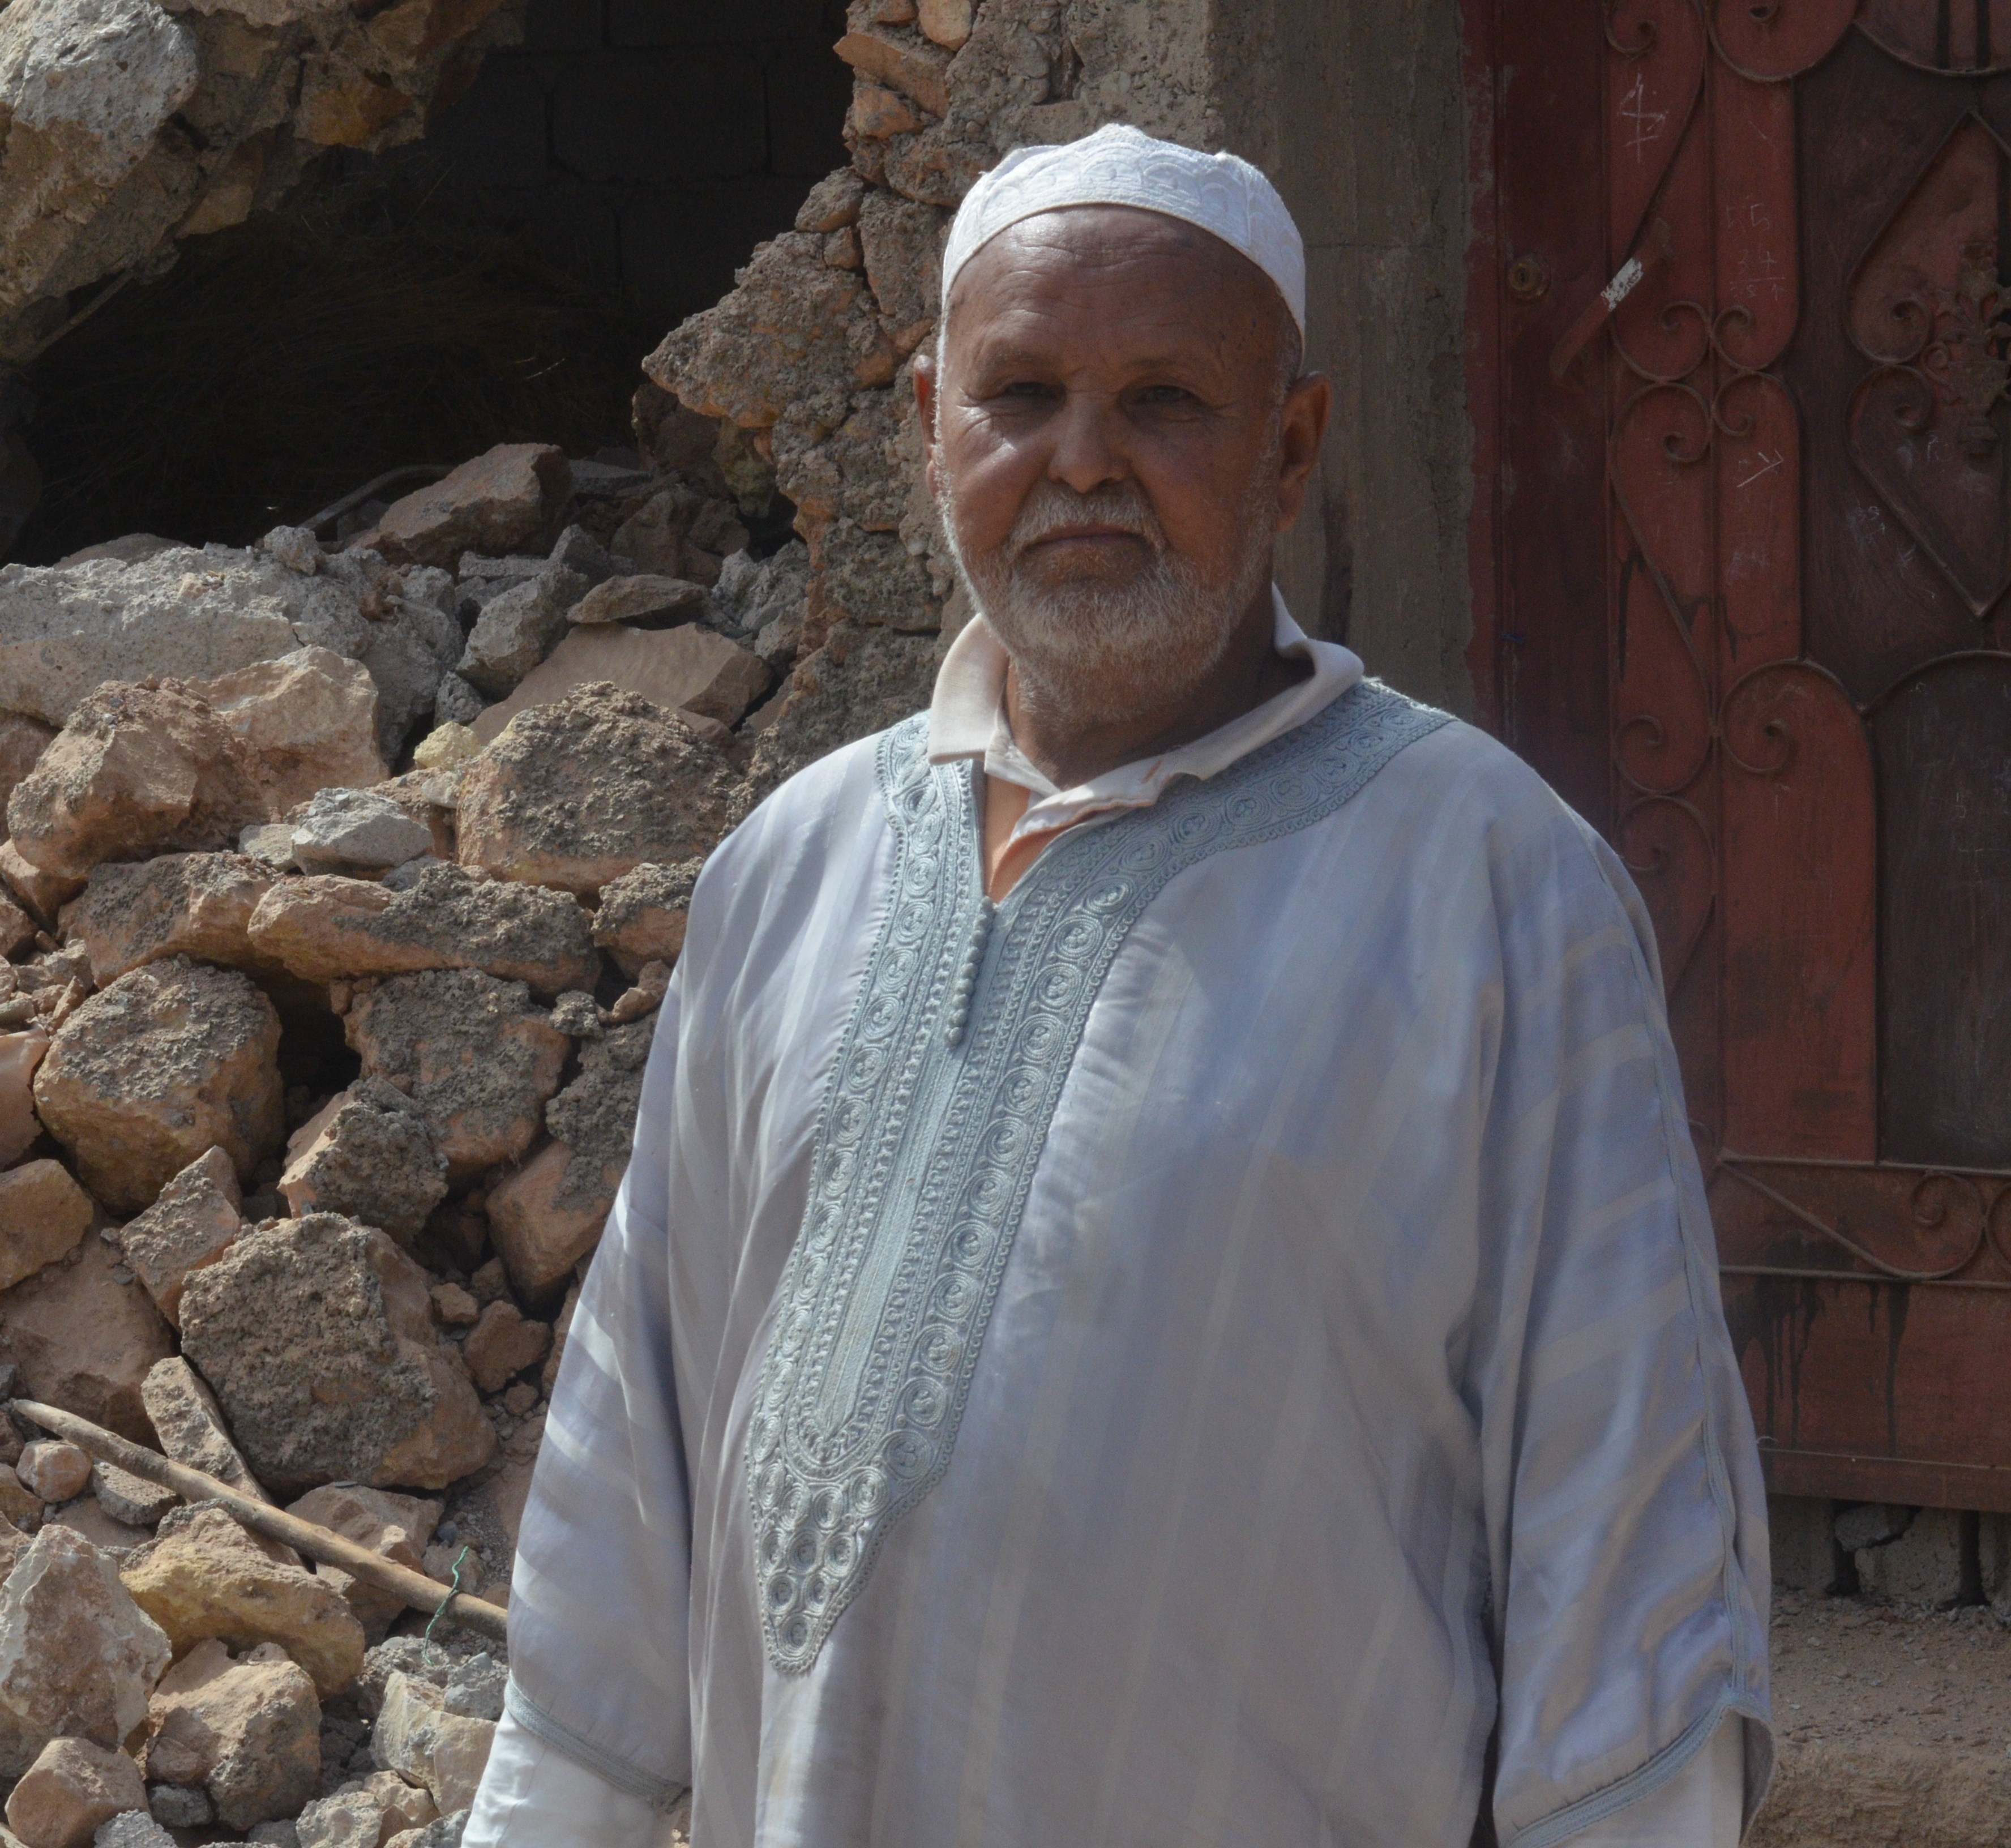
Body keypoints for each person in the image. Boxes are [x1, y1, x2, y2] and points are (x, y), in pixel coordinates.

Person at [462, 126, 1770, 1847]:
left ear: (1290, 446)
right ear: (934, 423)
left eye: (1166, 402)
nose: (1083, 462)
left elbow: (1626, 1545)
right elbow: (626, 1481)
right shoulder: (794, 868)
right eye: (1021, 398)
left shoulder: (1493, 890)